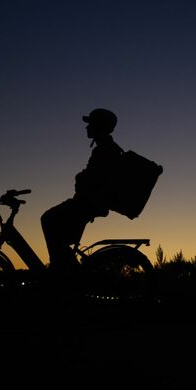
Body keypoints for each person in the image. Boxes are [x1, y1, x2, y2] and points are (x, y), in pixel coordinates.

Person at [41, 108, 123, 272]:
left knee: (49, 219)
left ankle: (63, 271)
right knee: (56, 228)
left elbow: (94, 179)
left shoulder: (105, 150)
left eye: (90, 124)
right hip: (88, 202)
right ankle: (65, 268)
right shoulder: (105, 148)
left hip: (89, 203)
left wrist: (80, 178)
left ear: (99, 126)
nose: (87, 127)